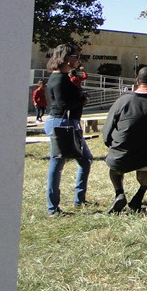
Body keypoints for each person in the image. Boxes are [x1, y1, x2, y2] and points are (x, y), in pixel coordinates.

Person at [102, 66, 147, 213]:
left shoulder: (122, 101)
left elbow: (106, 131)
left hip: (120, 156)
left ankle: (119, 193)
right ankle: (139, 196)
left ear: (137, 81)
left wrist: (113, 146)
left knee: (114, 168)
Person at [44, 43, 92, 217]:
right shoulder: (59, 79)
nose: (78, 59)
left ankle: (79, 200)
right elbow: (64, 104)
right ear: (66, 58)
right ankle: (52, 208)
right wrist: (82, 100)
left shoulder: (62, 77)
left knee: (85, 160)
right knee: (56, 165)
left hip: (67, 123)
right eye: (75, 56)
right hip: (61, 124)